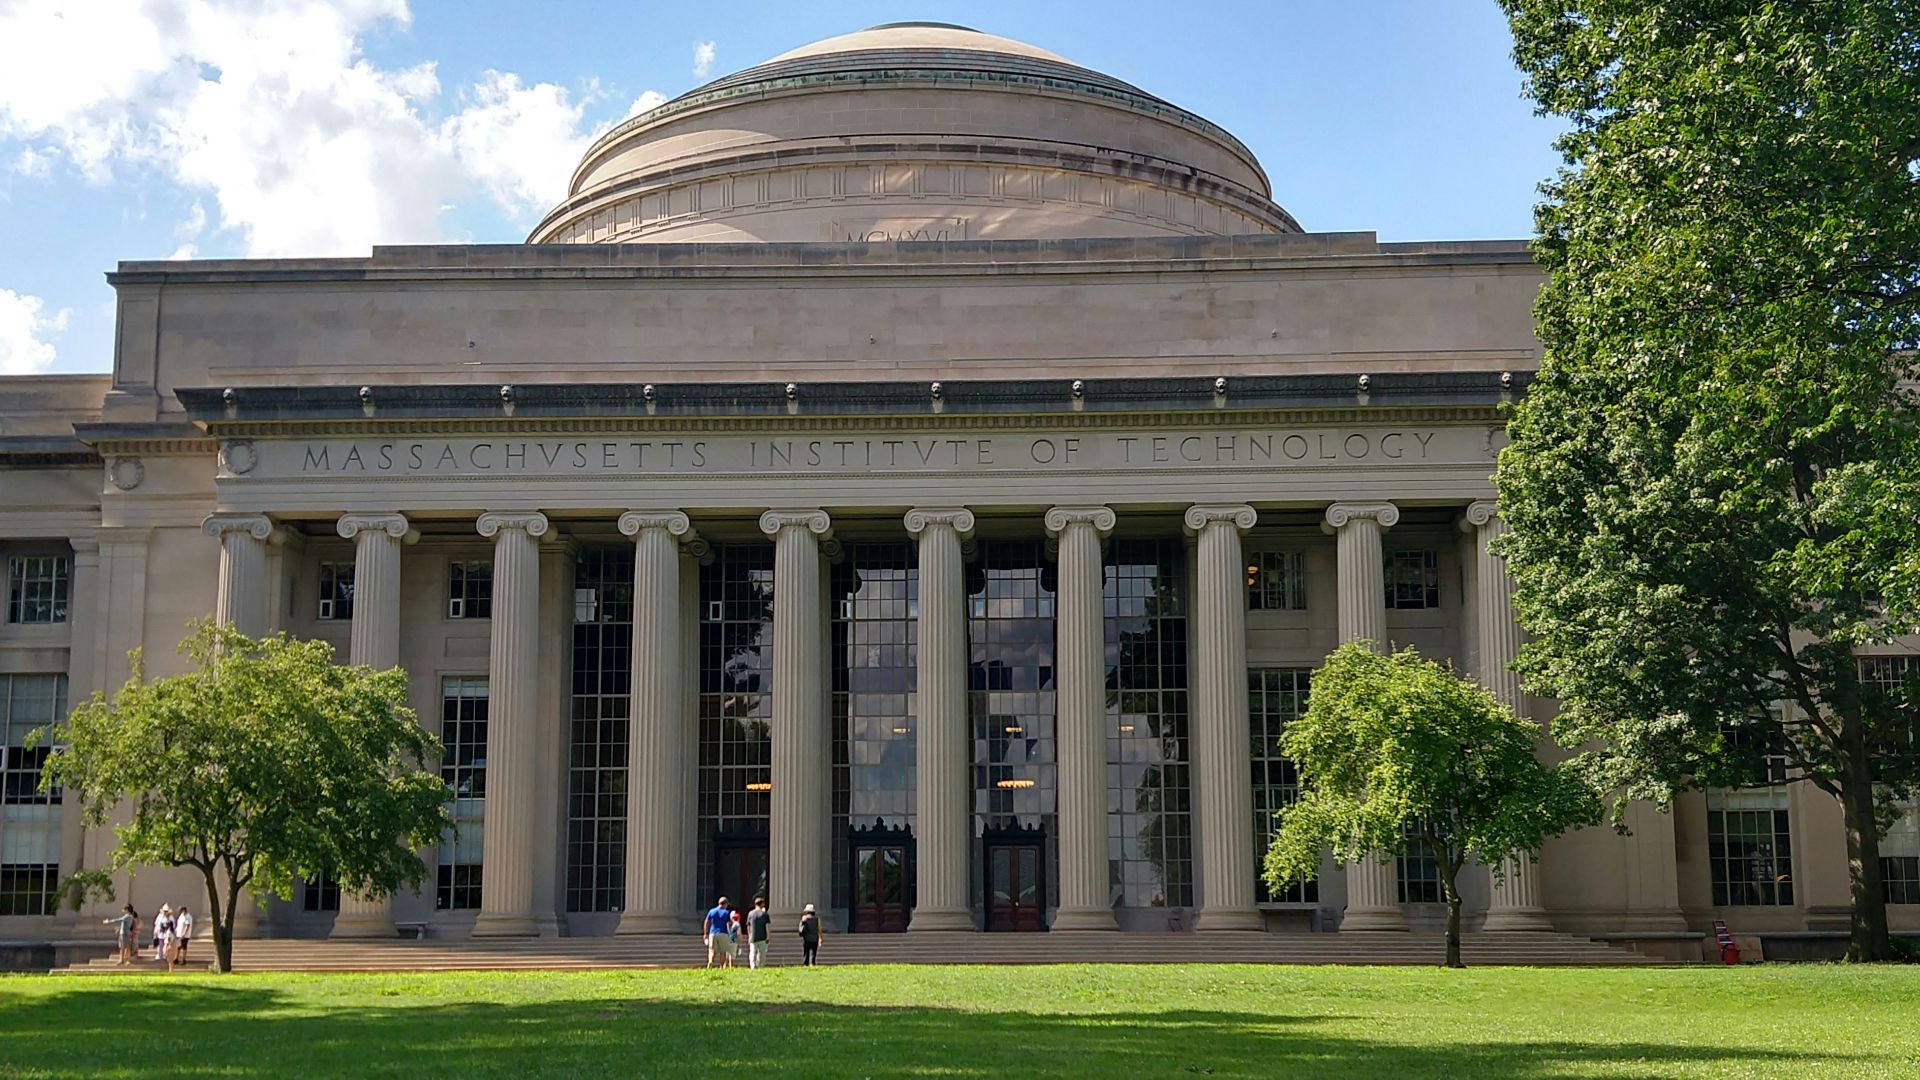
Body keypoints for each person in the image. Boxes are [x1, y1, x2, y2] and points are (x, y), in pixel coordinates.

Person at [703, 895, 733, 969]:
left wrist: (705, 933)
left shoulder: (712, 911)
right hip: (723, 933)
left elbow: (706, 922)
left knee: (712, 950)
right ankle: (721, 966)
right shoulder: (726, 912)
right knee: (723, 951)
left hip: (713, 932)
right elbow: (730, 923)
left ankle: (710, 962)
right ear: (725, 904)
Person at [746, 896, 771, 970]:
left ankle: (753, 966)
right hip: (762, 936)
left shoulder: (750, 914)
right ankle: (761, 966)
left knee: (752, 952)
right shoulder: (765, 914)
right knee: (762, 953)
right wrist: (768, 936)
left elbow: (748, 926)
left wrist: (749, 936)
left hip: (753, 937)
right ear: (762, 904)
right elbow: (767, 926)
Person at [797, 902, 821, 967]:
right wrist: (820, 938)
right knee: (813, 954)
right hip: (814, 938)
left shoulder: (804, 918)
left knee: (806, 953)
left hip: (807, 938)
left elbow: (801, 927)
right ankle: (813, 963)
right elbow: (819, 929)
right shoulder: (816, 919)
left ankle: (806, 963)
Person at [153, 905, 174, 969]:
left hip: (167, 934)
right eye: (164, 911)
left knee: (167, 946)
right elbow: (157, 924)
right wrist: (155, 932)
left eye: (166, 911)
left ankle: (166, 957)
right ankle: (160, 956)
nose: (165, 913)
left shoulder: (171, 918)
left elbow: (172, 926)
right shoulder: (160, 917)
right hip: (161, 933)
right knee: (160, 945)